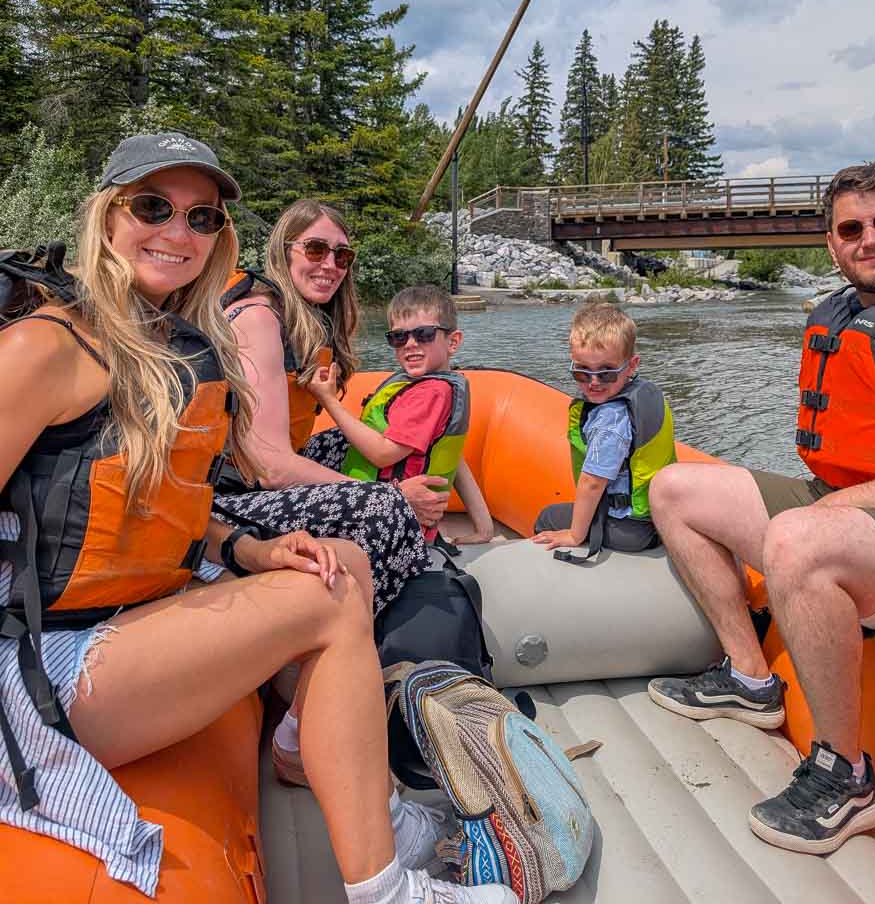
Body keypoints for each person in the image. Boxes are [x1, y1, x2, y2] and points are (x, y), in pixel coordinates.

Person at [0, 132, 516, 904]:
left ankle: (375, 805)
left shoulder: (158, 346)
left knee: (339, 561)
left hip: (115, 626)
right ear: (106, 217)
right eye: (153, 207)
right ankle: (390, 890)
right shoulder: (47, 347)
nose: (179, 233)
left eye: (201, 218)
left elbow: (152, 508)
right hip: (43, 664)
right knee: (332, 595)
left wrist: (250, 546)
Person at [646, 160, 875, 856]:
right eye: (851, 229)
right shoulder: (837, 313)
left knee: (800, 539)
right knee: (675, 489)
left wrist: (837, 511)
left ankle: (846, 777)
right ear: (831, 242)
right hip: (854, 510)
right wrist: (835, 507)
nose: (869, 239)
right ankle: (751, 679)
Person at [215, 200, 452, 615]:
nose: (331, 265)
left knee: (349, 445)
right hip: (224, 502)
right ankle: (360, 624)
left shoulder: (300, 319)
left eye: (341, 255)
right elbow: (271, 467)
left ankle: (401, 544)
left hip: (256, 481)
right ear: (283, 250)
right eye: (315, 250)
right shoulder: (258, 318)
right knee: (383, 506)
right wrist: (391, 493)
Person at [316, 285, 495, 547]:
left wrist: (329, 401)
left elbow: (382, 454)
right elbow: (454, 461)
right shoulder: (428, 386)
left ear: (452, 342)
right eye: (399, 337)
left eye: (424, 334)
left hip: (391, 529)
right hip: (399, 518)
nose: (411, 344)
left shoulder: (430, 394)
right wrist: (484, 527)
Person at [531, 302, 676, 560]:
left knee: (548, 517)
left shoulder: (610, 419)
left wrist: (575, 535)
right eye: (582, 372)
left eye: (606, 373)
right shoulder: (642, 391)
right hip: (656, 515)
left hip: (632, 527)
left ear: (631, 366)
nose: (594, 383)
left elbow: (593, 482)